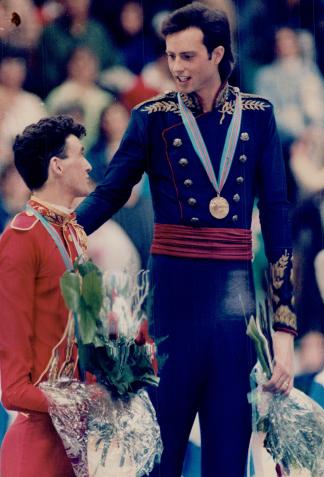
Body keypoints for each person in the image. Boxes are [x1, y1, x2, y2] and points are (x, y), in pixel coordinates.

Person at [76, 3, 297, 476]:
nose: (176, 67)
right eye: (171, 55)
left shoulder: (259, 116)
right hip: (169, 317)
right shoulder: (151, 117)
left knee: (227, 466)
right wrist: (56, 230)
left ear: (217, 53)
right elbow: (111, 193)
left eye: (188, 56)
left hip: (234, 318)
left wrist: (284, 331)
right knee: (159, 463)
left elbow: (277, 219)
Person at [0, 115, 93, 476]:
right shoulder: (21, 239)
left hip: (78, 442)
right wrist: (86, 400)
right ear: (56, 166)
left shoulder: (74, 234)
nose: (88, 164)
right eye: (79, 155)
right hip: (36, 449)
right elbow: (13, 390)